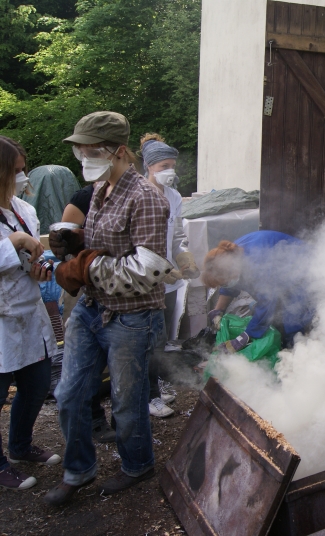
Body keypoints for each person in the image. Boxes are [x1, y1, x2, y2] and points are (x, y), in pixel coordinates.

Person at [43, 111, 173, 506]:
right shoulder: (101, 189)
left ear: (118, 152)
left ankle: (137, 465)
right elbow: (109, 244)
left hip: (132, 318)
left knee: (127, 402)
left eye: (90, 152)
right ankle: (78, 470)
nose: (83, 160)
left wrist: (86, 265)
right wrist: (77, 240)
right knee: (69, 394)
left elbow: (148, 270)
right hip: (91, 308)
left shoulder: (147, 197)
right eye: (80, 152)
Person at [0, 138, 62, 491]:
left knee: (37, 384)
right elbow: (12, 248)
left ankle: (21, 446)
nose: (23, 175)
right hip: (1, 317)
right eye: (16, 169)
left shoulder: (22, 208)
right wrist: (13, 243)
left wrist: (38, 269)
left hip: (28, 310)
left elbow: (31, 257)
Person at [139, 133, 200, 417]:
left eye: (172, 165)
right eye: (163, 166)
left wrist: (184, 258)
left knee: (162, 338)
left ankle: (156, 383)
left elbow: (176, 236)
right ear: (149, 167)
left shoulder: (173, 196)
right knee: (148, 341)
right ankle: (149, 396)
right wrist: (163, 271)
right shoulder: (138, 194)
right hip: (144, 282)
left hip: (169, 283)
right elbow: (136, 247)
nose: (169, 171)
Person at [202, 231, 314, 354]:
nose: (224, 285)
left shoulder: (256, 264)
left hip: (305, 272)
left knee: (292, 322)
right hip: (283, 276)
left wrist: (244, 337)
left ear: (231, 271)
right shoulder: (230, 255)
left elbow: (267, 302)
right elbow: (230, 285)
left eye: (224, 282)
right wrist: (218, 309)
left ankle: (298, 356)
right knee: (267, 315)